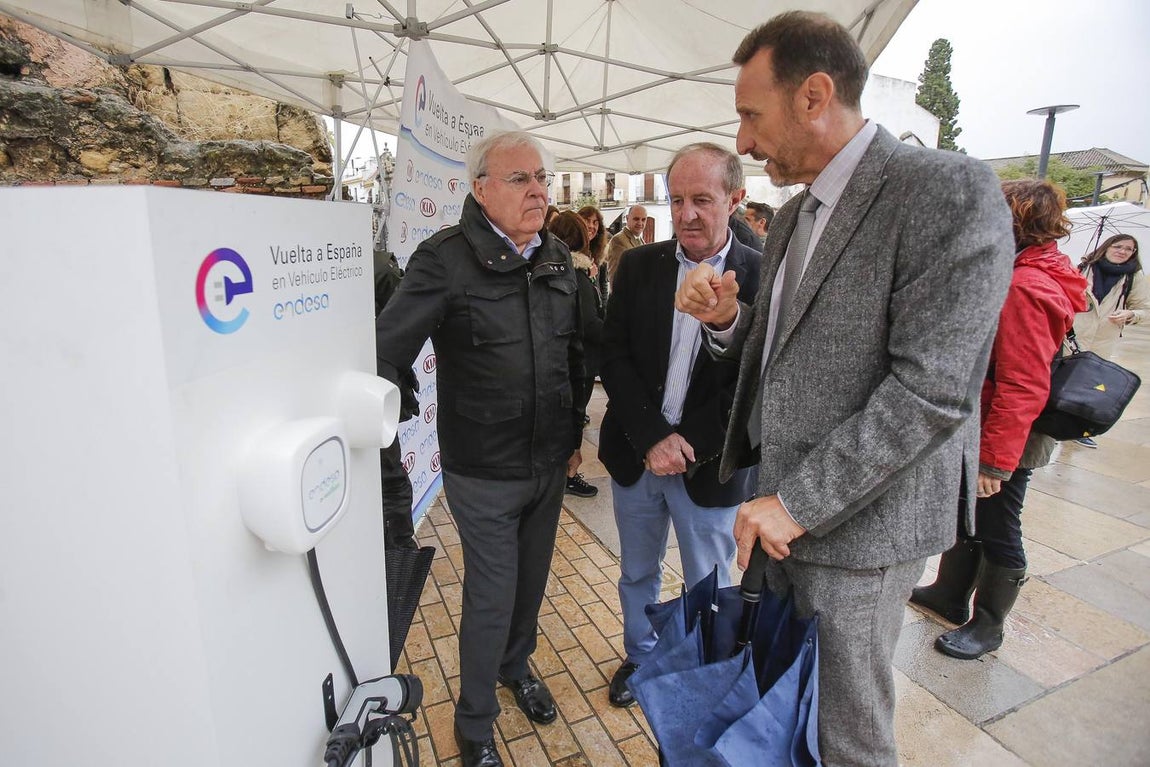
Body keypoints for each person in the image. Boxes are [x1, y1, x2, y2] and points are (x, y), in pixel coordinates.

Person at [674, 12, 1014, 766]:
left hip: (858, 529)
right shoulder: (795, 214)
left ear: (814, 96)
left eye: (751, 115)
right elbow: (792, 350)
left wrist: (798, 503)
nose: (743, 142)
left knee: (845, 735)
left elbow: (930, 390)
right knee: (788, 715)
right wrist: (730, 320)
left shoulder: (944, 190)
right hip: (781, 510)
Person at [375, 131, 584, 767]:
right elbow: (386, 348)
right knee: (492, 595)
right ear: (481, 189)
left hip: (548, 461)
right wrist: (385, 424)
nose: (538, 191)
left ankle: (516, 668)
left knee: (530, 585)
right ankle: (474, 723)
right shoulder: (444, 259)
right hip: (484, 468)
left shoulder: (557, 257)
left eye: (541, 177)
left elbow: (576, 355)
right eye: (520, 179)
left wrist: (574, 435)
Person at [599, 142, 760, 708]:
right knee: (637, 572)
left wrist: (685, 442)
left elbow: (755, 380)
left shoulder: (765, 272)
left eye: (702, 200)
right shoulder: (640, 265)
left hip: (710, 465)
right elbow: (613, 354)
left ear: (735, 199)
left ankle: (705, 667)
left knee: (709, 582)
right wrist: (652, 438)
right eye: (676, 200)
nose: (686, 214)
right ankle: (641, 656)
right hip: (637, 454)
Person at [911, 180, 1087, 660]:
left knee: (998, 524)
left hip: (1008, 433)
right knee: (968, 513)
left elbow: (1022, 382)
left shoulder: (1025, 286)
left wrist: (994, 461)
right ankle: (949, 593)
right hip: (992, 425)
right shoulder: (1023, 270)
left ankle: (988, 624)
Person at [1071, 233, 1147, 446]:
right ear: (1106, 247)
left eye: (1129, 249)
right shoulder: (1083, 268)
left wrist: (1131, 314)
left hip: (1103, 339)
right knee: (1062, 378)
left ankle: (1077, 429)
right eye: (1118, 246)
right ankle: (1049, 423)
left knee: (1088, 385)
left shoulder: (1133, 277)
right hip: (1074, 333)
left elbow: (1145, 309)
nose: (1122, 251)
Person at [549, 210, 603, 498]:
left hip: (560, 358)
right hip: (580, 360)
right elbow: (589, 324)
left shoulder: (551, 271)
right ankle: (569, 474)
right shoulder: (577, 275)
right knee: (575, 415)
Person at [373, 250, 421, 549]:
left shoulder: (378, 266)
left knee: (389, 478)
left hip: (374, 395)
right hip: (350, 397)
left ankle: (400, 558)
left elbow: (406, 322)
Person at [604, 204, 648, 284]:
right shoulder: (618, 240)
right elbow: (615, 277)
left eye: (643, 219)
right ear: (627, 218)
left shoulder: (640, 240)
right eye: (636, 219)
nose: (640, 223)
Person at [578, 205, 610, 295]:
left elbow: (603, 285)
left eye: (595, 223)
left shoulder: (600, 252)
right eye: (587, 221)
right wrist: (588, 275)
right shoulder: (571, 251)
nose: (591, 226)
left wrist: (603, 303)